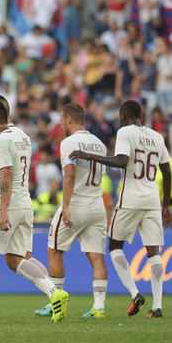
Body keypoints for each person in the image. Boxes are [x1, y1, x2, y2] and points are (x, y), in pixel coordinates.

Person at [0, 101, 68, 323]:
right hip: (24, 204)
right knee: (16, 259)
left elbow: (7, 174)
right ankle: (54, 293)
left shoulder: (0, 140)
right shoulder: (23, 135)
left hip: (8, 206)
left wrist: (0, 208)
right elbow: (17, 175)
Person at [70, 100, 172, 318]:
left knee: (115, 246)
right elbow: (167, 171)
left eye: (119, 116)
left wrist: (89, 156)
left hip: (130, 199)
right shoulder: (157, 137)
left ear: (125, 115)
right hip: (153, 199)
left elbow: (121, 161)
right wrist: (167, 205)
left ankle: (135, 293)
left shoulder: (126, 132)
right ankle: (158, 307)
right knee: (153, 251)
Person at [36, 103, 108, 319]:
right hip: (97, 205)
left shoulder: (69, 142)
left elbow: (69, 174)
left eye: (61, 119)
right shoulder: (100, 144)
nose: (60, 123)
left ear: (69, 119)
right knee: (96, 256)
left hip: (76, 204)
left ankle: (54, 302)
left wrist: (65, 206)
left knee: (54, 250)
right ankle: (99, 307)